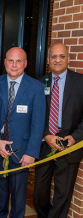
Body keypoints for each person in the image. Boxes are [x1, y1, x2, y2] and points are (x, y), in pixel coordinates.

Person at [0, 47, 46, 218]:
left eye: (18, 61)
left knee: (19, 194)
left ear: (25, 63)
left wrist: (31, 152)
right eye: (10, 60)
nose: (14, 65)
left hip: (22, 151)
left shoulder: (36, 87)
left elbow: (38, 123)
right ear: (5, 62)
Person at [34, 43, 83, 218]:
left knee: (63, 193)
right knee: (39, 189)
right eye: (53, 56)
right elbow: (35, 116)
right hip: (45, 143)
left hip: (70, 144)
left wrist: (75, 137)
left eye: (62, 56)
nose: (57, 60)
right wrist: (46, 134)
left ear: (68, 59)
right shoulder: (39, 83)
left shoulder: (80, 82)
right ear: (48, 60)